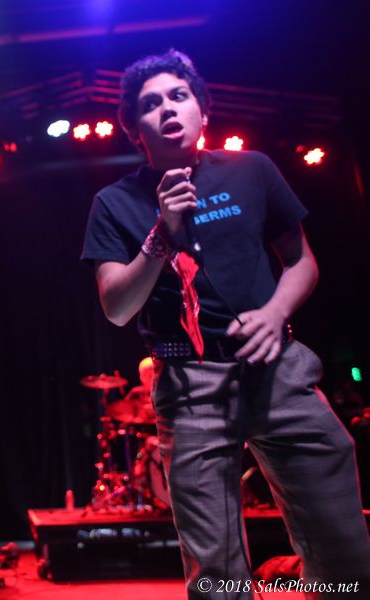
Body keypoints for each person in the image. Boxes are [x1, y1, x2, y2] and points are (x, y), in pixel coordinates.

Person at [81, 50, 370, 598]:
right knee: (216, 576)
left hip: (277, 369)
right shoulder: (115, 202)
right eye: (150, 104)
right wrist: (161, 234)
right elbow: (116, 307)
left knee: (345, 555)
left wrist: (275, 312)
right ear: (135, 131)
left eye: (179, 96)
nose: (168, 108)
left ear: (203, 111)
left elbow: (302, 262)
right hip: (189, 385)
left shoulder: (252, 170)